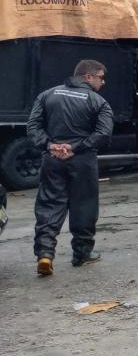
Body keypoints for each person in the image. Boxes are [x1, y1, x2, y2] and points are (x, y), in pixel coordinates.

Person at [26, 59, 114, 276]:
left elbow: (33, 126)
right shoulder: (98, 102)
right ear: (88, 77)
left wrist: (49, 145)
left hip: (52, 158)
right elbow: (103, 134)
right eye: (101, 78)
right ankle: (82, 254)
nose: (103, 83)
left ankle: (45, 254)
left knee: (49, 203)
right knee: (84, 205)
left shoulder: (47, 95)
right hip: (82, 160)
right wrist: (75, 147)